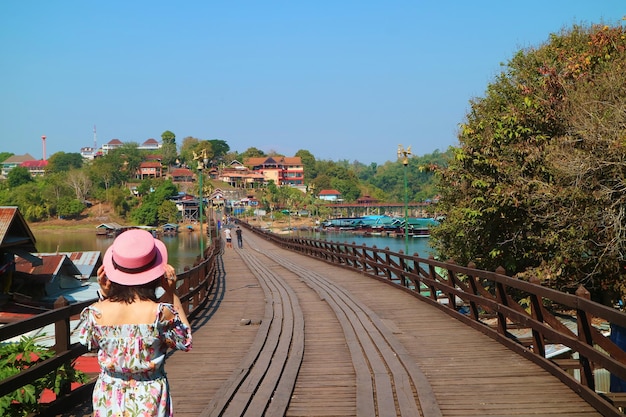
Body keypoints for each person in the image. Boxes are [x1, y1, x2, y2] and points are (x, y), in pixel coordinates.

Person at [77, 229, 192, 417]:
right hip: (149, 396)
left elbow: (91, 342)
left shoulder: (95, 313)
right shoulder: (159, 313)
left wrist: (105, 296)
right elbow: (184, 341)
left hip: (110, 395)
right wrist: (171, 293)